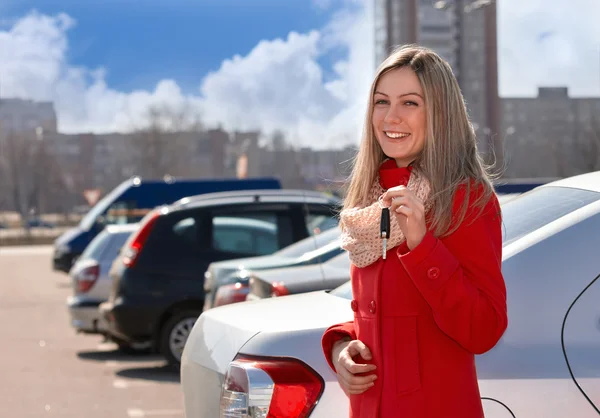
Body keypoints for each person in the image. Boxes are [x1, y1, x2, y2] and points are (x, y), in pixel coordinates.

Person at [321, 44, 508, 418]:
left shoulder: (465, 198)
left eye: (410, 103)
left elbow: (484, 329)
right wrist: (343, 346)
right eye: (381, 102)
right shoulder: (369, 200)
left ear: (439, 114)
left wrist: (423, 245)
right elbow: (385, 312)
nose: (391, 117)